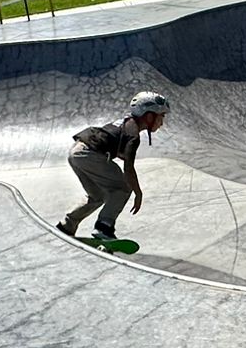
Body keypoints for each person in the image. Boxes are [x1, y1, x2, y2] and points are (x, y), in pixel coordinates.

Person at [56, 91, 168, 244]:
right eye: (161, 116)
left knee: (97, 195)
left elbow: (111, 138)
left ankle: (66, 226)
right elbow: (128, 170)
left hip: (77, 151)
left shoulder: (126, 123)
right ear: (149, 116)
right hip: (90, 154)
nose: (162, 123)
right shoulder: (133, 133)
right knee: (123, 187)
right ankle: (104, 227)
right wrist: (138, 192)